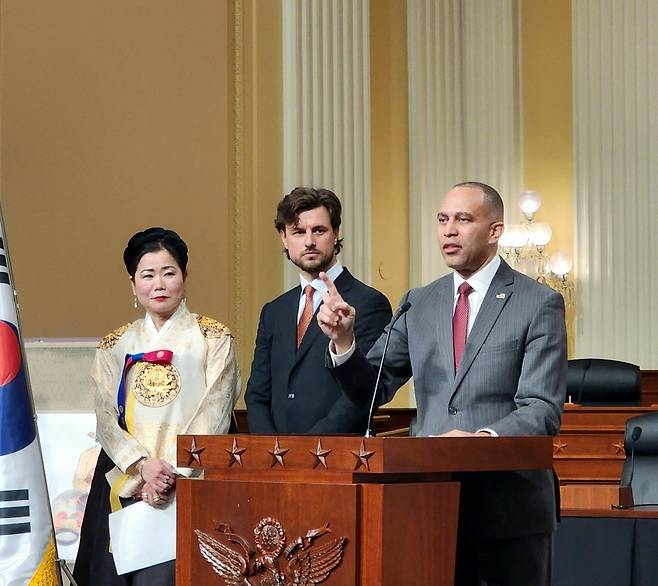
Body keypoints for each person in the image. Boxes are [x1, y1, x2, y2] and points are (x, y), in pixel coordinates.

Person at [317, 182, 567, 586]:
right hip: (426, 505)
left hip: (509, 508)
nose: (449, 230)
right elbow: (372, 389)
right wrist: (345, 341)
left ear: (495, 230)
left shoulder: (538, 302)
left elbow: (541, 409)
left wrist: (477, 440)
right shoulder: (419, 302)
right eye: (442, 220)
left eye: (463, 220)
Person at [73, 227, 241, 585]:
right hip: (127, 477)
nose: (159, 284)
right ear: (133, 284)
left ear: (184, 276)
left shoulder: (213, 338)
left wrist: (173, 475)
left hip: (194, 482)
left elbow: (217, 410)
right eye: (147, 275)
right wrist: (142, 467)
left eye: (169, 272)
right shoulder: (114, 344)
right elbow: (105, 417)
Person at [245, 187, 391, 434]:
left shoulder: (368, 303)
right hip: (274, 462)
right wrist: (272, 453)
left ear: (336, 233)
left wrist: (307, 451)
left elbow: (363, 396)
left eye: (319, 230)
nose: (309, 241)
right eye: (298, 232)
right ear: (284, 238)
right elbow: (257, 395)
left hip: (338, 457)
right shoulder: (274, 311)